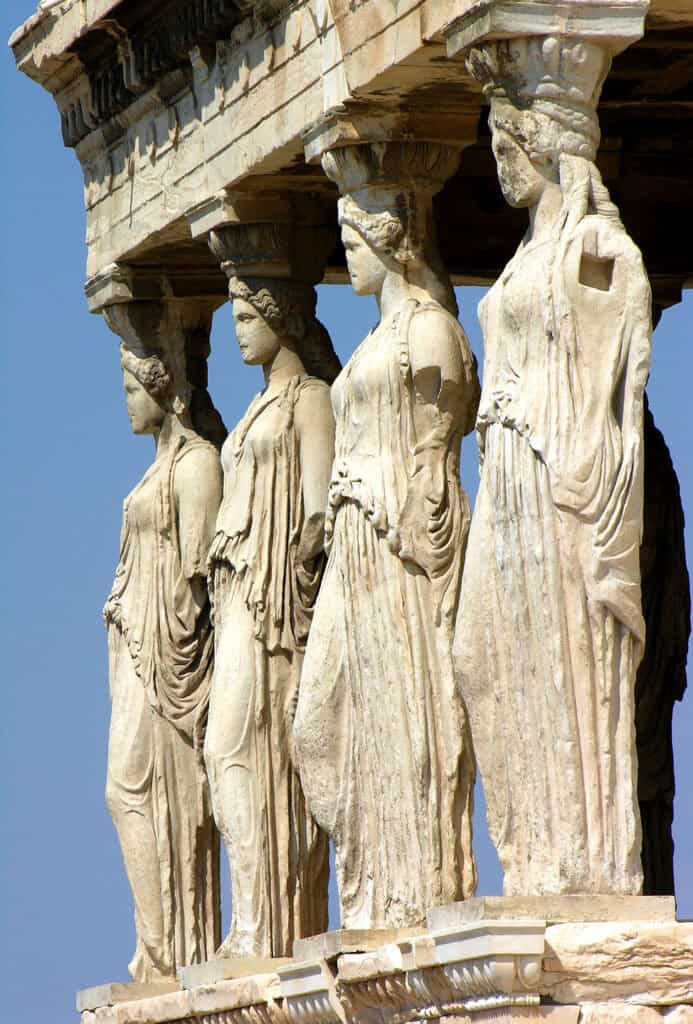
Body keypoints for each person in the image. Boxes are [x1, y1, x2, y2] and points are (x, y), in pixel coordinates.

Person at [456, 36, 652, 895]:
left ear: (542, 146)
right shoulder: (521, 259)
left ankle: (574, 865)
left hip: (551, 477)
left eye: (507, 146)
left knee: (556, 655)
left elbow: (622, 374)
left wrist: (586, 470)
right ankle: (536, 855)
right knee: (478, 655)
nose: (500, 166)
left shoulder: (595, 250)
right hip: (504, 479)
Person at [294, 143, 480, 928]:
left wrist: (417, 525)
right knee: (318, 726)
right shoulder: (374, 343)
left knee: (406, 709)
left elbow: (441, 448)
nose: (347, 258)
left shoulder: (430, 331)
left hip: (399, 541)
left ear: (390, 238)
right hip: (353, 541)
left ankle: (413, 892)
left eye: (353, 242)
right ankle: (373, 884)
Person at [205, 277, 339, 957]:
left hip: (274, 606)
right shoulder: (256, 406)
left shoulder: (309, 401)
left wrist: (305, 582)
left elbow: (319, 511)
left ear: (281, 317)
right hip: (235, 594)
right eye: (233, 316)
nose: (238, 329)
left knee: (236, 750)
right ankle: (254, 921)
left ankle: (266, 926)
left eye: (249, 315)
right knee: (229, 754)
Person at [104, 309, 224, 980]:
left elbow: (200, 573)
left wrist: (177, 646)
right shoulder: (158, 469)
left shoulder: (197, 465)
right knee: (126, 793)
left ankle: (169, 947)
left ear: (160, 387)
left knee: (136, 792)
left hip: (168, 656)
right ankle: (156, 945)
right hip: (134, 649)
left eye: (130, 390)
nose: (124, 405)